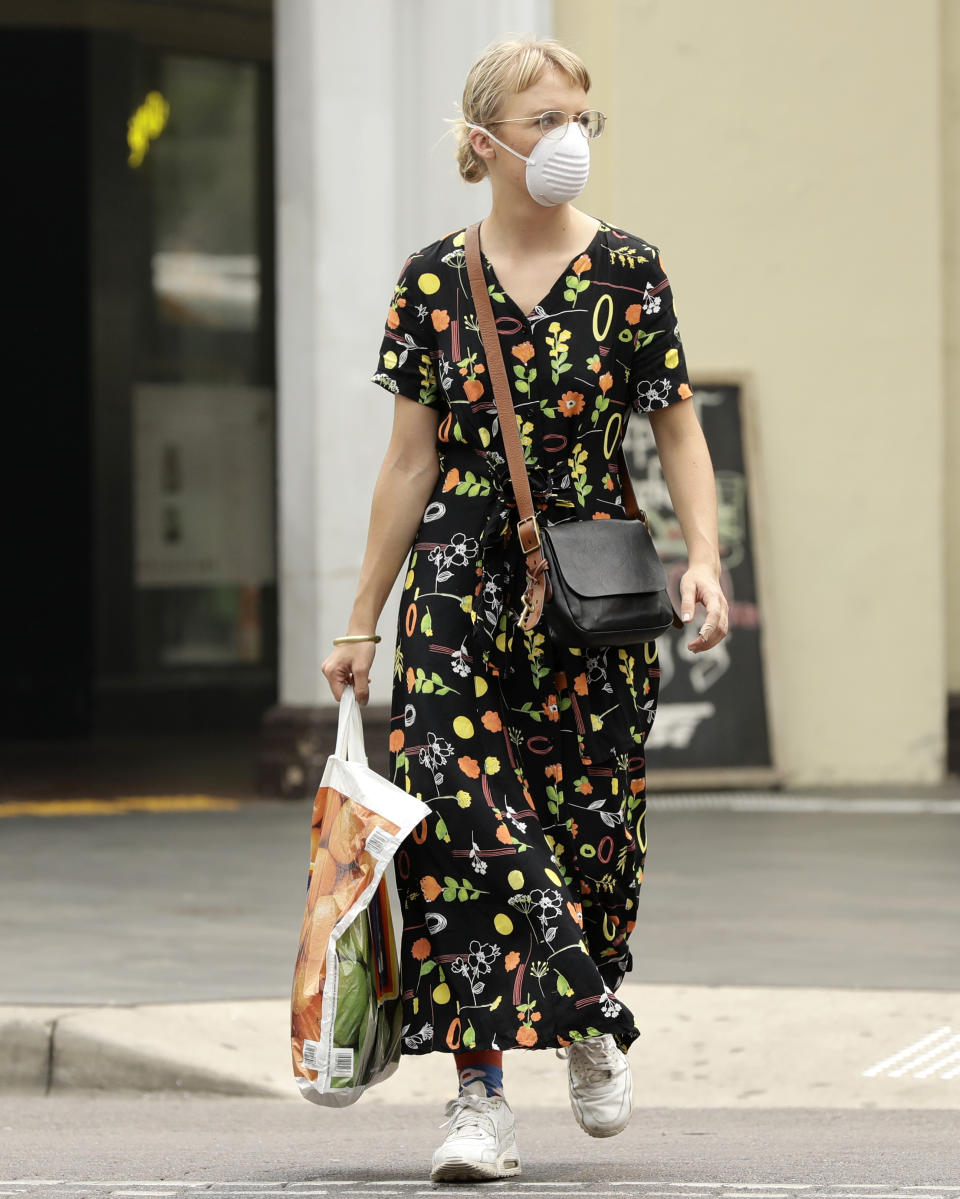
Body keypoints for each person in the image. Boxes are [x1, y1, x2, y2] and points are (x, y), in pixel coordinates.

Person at [322, 35, 728, 1185]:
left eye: (580, 121)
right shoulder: (432, 278)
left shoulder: (631, 270)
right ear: (482, 138)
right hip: (456, 583)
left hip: (594, 581)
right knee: (457, 830)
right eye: (543, 120)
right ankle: (481, 1098)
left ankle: (588, 1007)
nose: (566, 142)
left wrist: (704, 555)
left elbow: (677, 425)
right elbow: (409, 462)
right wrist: (361, 618)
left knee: (585, 825)